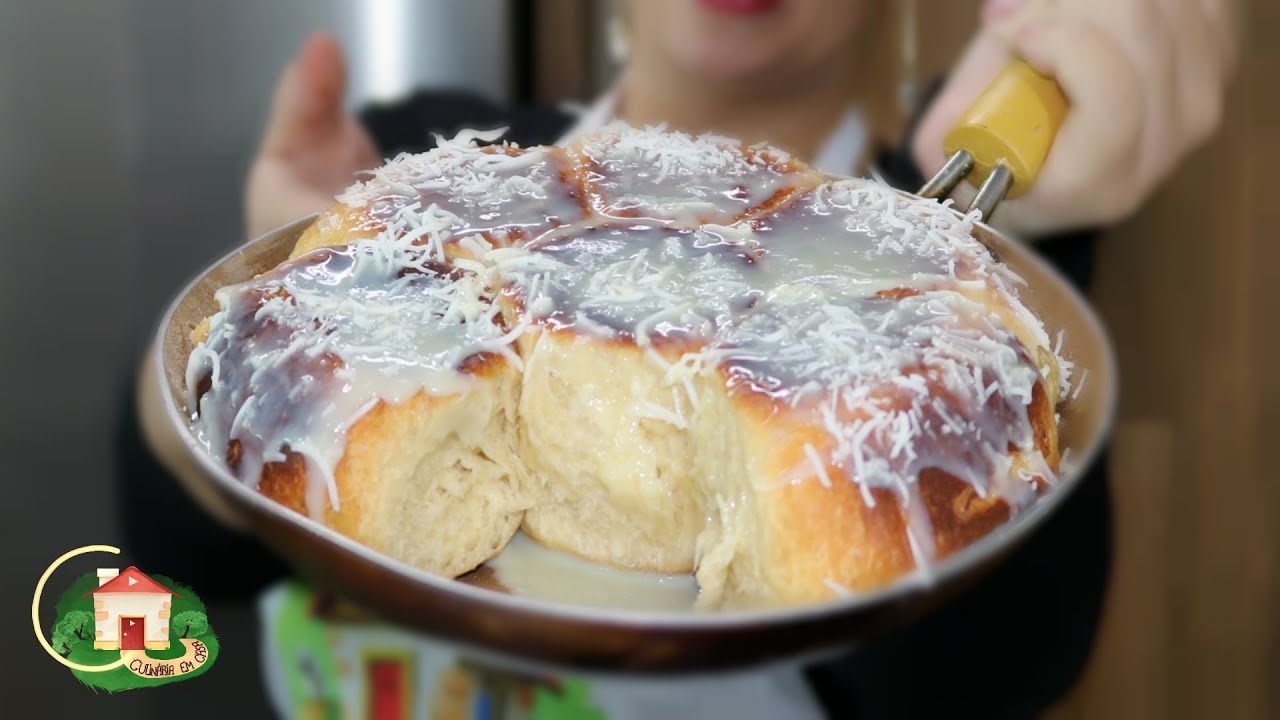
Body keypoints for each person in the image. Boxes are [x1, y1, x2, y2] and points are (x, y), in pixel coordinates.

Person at [120, 0, 1236, 716]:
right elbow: (168, 570)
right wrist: (287, 361)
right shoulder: (420, 152)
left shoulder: (945, 289)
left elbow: (994, 674)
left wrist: (1021, 257)